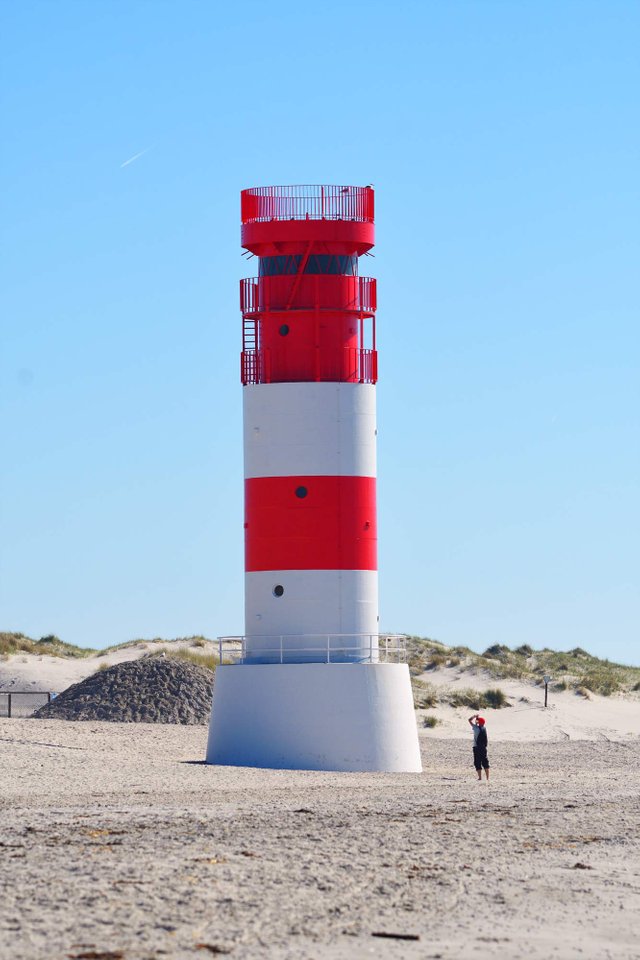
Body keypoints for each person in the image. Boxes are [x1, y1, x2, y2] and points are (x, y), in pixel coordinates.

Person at [468, 713, 490, 781]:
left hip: (476, 747)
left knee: (477, 762)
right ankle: (487, 778)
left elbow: (469, 720)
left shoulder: (476, 728)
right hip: (483, 748)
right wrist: (478, 719)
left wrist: (474, 716)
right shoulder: (484, 729)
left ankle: (480, 777)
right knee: (485, 761)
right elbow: (479, 723)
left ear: (479, 722)